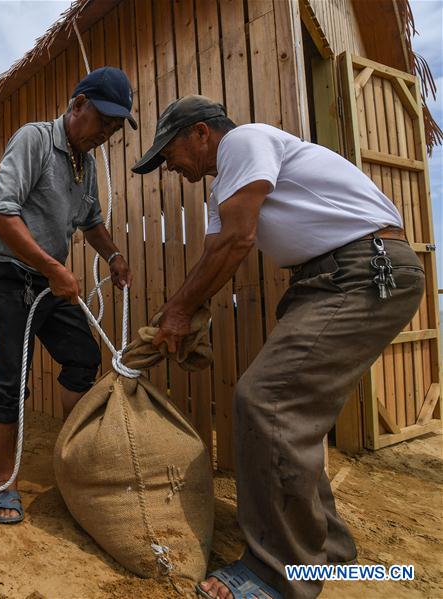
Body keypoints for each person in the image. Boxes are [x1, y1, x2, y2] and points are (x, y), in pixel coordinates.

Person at [131, 95, 424, 599]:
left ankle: (276, 573)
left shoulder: (244, 141)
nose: (169, 165)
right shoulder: (224, 186)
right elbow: (215, 256)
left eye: (169, 152)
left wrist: (179, 311)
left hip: (361, 271)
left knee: (267, 402)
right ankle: (326, 549)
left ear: (201, 133)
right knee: (289, 415)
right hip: (328, 279)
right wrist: (181, 314)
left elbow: (237, 241)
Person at [0, 66, 135, 524]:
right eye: (103, 121)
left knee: (83, 357)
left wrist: (112, 255)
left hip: (49, 279)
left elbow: (90, 222)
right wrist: (52, 268)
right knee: (13, 378)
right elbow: (0, 215)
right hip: (10, 274)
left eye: (114, 128)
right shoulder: (34, 140)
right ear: (79, 104)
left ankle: (70, 458)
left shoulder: (84, 163)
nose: (106, 133)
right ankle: (5, 482)